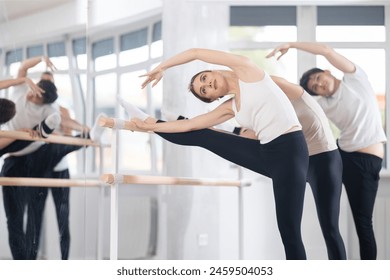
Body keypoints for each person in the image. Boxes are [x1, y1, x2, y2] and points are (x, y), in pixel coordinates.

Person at [118, 74, 347, 260]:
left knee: (330, 229)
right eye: (205, 90)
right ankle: (154, 123)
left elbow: (264, 85)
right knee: (206, 135)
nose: (209, 86)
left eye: (206, 83)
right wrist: (155, 127)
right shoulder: (246, 106)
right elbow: (253, 134)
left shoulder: (283, 90)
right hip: (284, 157)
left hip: (323, 159)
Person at [267, 42, 387, 260]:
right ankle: (238, 130)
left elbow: (326, 51)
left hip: (367, 159)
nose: (317, 84)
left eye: (317, 78)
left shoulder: (356, 79)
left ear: (328, 72)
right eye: (313, 86)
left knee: (363, 224)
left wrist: (291, 45)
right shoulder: (322, 105)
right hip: (342, 156)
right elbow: (295, 103)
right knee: (328, 219)